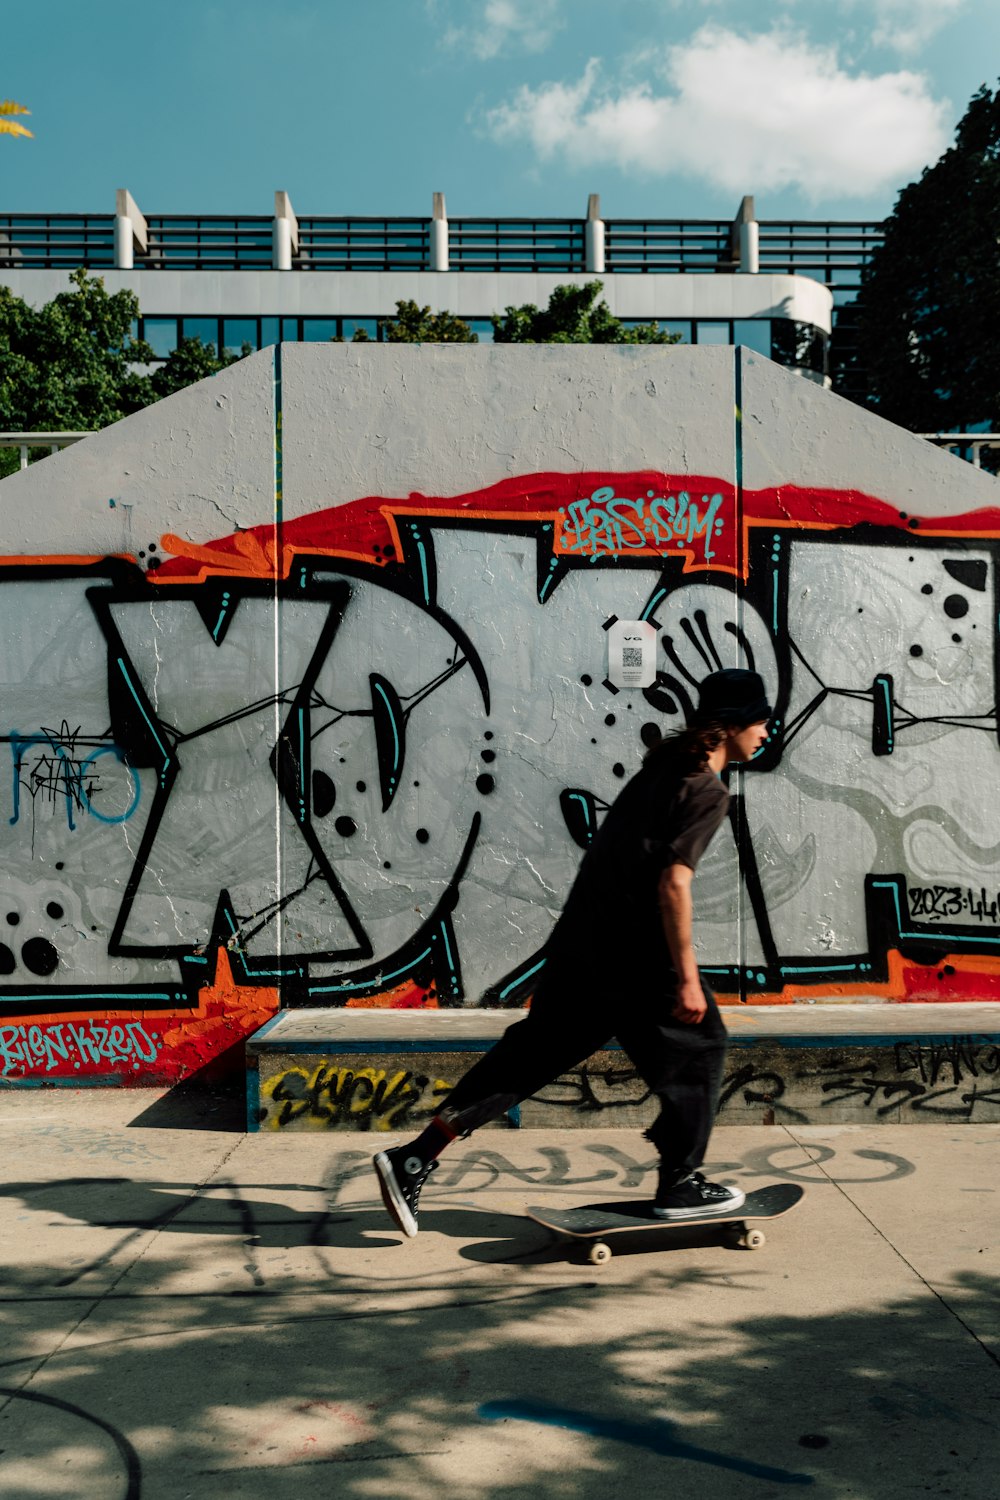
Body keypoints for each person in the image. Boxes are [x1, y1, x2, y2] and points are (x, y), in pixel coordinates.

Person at [374, 666, 773, 1239]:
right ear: (734, 724)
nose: (766, 731)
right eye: (760, 720)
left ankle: (414, 1157)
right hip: (637, 956)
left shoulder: (664, 765)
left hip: (584, 942)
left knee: (529, 1058)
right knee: (702, 1043)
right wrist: (687, 977)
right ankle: (681, 1182)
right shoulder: (706, 791)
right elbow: (673, 883)